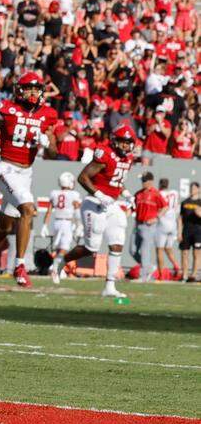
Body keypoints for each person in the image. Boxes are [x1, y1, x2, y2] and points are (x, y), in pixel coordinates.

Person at [0, 72, 59, 295]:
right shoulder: (7, 109)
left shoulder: (47, 114)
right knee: (28, 209)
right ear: (19, 90)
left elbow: (54, 153)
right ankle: (20, 266)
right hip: (6, 168)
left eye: (37, 89)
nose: (33, 93)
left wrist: (47, 143)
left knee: (2, 231)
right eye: (29, 88)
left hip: (27, 173)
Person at [52, 124, 138, 298]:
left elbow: (116, 182)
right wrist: (99, 194)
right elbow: (83, 177)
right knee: (91, 247)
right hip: (94, 202)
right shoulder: (105, 154)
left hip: (112, 203)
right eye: (122, 142)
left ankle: (110, 286)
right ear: (115, 141)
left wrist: (127, 194)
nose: (126, 146)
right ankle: (62, 260)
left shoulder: (127, 160)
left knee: (117, 242)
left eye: (129, 142)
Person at [44, 172, 81, 281]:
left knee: (58, 247)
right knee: (65, 247)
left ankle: (57, 267)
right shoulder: (74, 194)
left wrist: (45, 225)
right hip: (67, 223)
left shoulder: (54, 193)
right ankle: (56, 267)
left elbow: (49, 211)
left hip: (57, 222)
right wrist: (79, 225)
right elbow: (77, 210)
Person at [133, 172, 168, 282]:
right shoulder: (138, 193)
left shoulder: (155, 193)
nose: (143, 183)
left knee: (145, 251)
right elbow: (132, 207)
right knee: (132, 250)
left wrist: (156, 218)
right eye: (142, 180)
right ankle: (148, 267)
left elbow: (165, 206)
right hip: (137, 224)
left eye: (145, 180)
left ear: (150, 181)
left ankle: (143, 276)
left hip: (149, 225)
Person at [155, 178, 181, 279]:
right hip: (173, 224)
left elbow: (160, 208)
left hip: (163, 223)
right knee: (168, 248)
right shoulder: (175, 193)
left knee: (159, 250)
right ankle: (177, 267)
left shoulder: (159, 193)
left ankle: (161, 275)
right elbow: (177, 208)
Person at [180, 183, 201, 282]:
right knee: (184, 253)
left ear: (198, 189)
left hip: (198, 231)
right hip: (186, 230)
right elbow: (180, 218)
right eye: (191, 188)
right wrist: (179, 232)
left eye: (194, 188)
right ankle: (184, 275)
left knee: (196, 253)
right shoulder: (185, 202)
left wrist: (199, 214)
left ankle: (193, 275)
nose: (192, 190)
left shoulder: (200, 202)